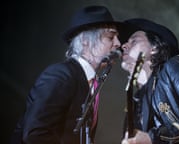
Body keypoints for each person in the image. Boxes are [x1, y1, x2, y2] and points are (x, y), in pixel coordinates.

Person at [10, 5, 123, 144]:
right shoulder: (61, 75)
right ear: (85, 41)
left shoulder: (87, 80)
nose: (118, 43)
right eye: (111, 37)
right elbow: (36, 134)